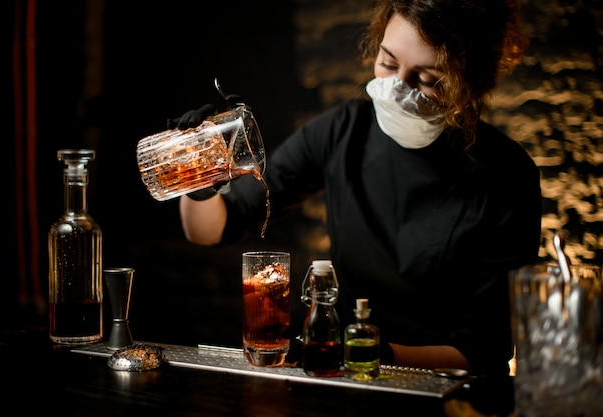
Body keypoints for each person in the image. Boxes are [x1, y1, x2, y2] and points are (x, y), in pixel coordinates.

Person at [171, 0, 541, 377]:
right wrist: (198, 172)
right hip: (346, 380)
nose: (399, 88)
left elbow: (485, 349)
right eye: (389, 62)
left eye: (428, 80)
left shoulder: (508, 176)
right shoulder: (343, 132)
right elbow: (213, 229)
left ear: (471, 81)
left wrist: (375, 353)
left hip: (443, 391)